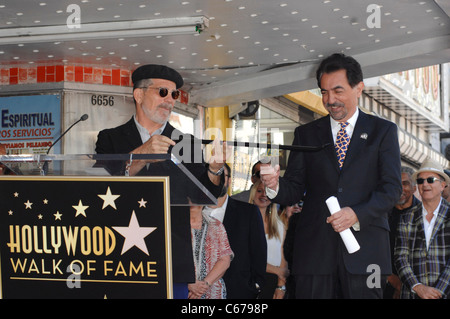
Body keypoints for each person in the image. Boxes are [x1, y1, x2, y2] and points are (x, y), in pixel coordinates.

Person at [260, 53, 402, 298]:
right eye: (324, 92)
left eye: (338, 91)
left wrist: (356, 213)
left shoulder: (383, 131)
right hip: (315, 255)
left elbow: (391, 189)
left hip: (366, 254)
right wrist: (274, 186)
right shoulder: (306, 134)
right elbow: (294, 187)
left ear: (359, 88)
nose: (330, 100)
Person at [95, 64, 227, 298]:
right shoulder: (110, 138)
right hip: (120, 255)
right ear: (139, 94)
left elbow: (208, 193)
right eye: (162, 92)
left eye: (174, 94)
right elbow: (100, 186)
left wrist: (215, 170)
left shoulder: (187, 143)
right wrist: (140, 155)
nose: (169, 100)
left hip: (170, 257)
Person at [203, 163, 267, 298]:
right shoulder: (193, 213)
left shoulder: (248, 212)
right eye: (212, 175)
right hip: (199, 294)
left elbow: (259, 254)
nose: (217, 180)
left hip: (238, 292)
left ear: (230, 180)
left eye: (222, 176)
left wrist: (254, 287)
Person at [395, 158, 450, 299]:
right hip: (412, 294)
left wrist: (437, 293)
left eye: (430, 180)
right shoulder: (406, 218)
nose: (425, 184)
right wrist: (417, 287)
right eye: (420, 181)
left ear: (442, 185)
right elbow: (400, 257)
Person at [384, 166, 421, 299]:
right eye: (396, 184)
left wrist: (405, 284)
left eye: (405, 184)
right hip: (381, 280)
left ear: (414, 188)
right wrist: (391, 278)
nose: (400, 188)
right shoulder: (381, 213)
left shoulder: (423, 215)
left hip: (415, 285)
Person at [249, 180, 288, 299]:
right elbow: (248, 258)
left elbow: (283, 257)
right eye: (259, 191)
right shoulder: (244, 223)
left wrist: (281, 286)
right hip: (251, 280)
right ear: (253, 194)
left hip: (273, 283)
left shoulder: (279, 225)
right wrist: (278, 271)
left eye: (268, 192)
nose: (264, 195)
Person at [188, 205, 233, 299]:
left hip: (213, 292)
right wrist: (188, 284)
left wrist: (204, 285)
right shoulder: (169, 226)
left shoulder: (216, 225)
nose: (191, 201)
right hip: (181, 291)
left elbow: (225, 260)